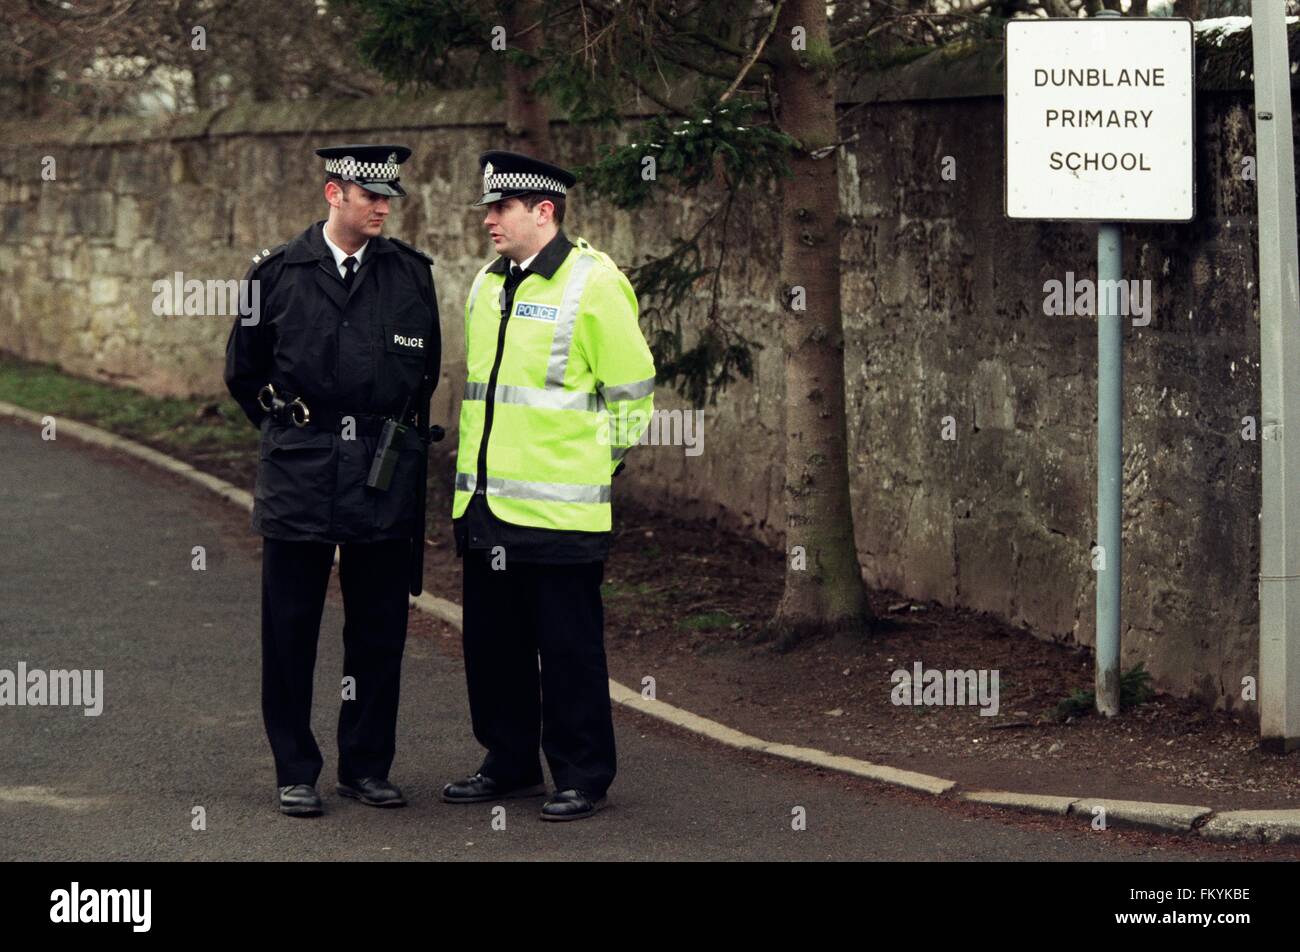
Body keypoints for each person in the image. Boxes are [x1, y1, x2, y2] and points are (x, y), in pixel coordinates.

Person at [223, 144, 442, 817]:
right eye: (367, 194)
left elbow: (425, 374)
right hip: (302, 472)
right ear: (332, 193)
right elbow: (242, 371)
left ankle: (367, 766)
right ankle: (295, 768)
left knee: (378, 630)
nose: (380, 206)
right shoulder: (277, 275)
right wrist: (288, 428)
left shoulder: (409, 276)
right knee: (291, 629)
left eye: (387, 197)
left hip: (380, 475)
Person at [441, 150, 655, 821]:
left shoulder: (593, 283)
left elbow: (633, 394)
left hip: (562, 515)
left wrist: (595, 464)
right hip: (486, 507)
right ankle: (507, 762)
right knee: (493, 648)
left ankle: (583, 773)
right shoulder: (487, 284)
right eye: (486, 208)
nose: (488, 220)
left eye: (501, 208)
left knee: (567, 652)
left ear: (544, 211)